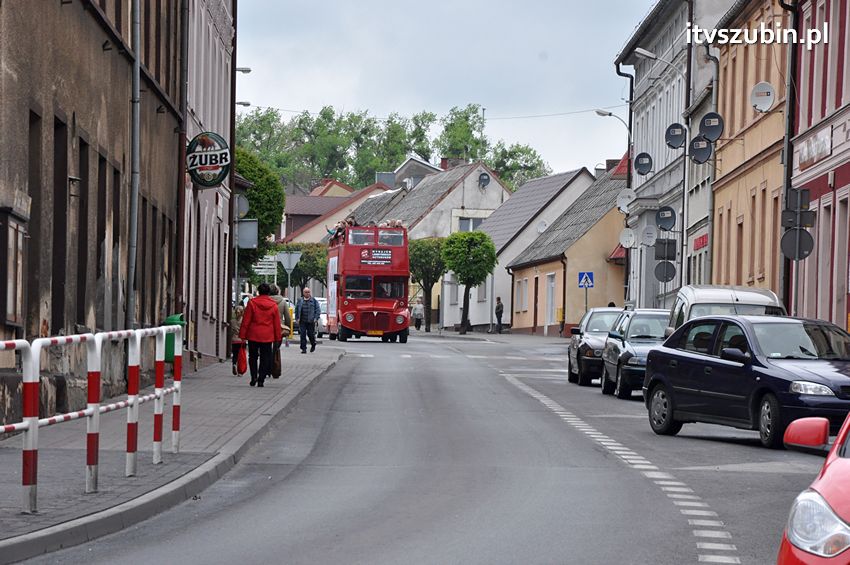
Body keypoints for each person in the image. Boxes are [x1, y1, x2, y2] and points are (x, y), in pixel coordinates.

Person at [238, 283, 282, 387]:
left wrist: (243, 335)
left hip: (253, 335)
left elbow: (246, 320)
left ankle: (253, 377)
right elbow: (276, 323)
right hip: (267, 336)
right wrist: (277, 337)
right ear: (268, 292)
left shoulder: (252, 303)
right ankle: (261, 379)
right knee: (265, 357)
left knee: (253, 357)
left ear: (258, 291)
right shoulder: (273, 305)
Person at [269, 285, 293, 377]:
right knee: (276, 348)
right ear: (278, 292)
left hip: (267, 328)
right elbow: (288, 317)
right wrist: (288, 329)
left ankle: (266, 367)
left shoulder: (267, 301)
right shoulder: (283, 302)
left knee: (267, 349)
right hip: (279, 328)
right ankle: (275, 366)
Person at [295, 287, 320, 354]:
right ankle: (303, 348)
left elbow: (317, 310)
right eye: (306, 292)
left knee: (310, 334)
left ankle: (313, 343)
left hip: (311, 321)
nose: (307, 293)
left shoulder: (314, 301)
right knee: (302, 334)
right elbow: (296, 310)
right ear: (303, 293)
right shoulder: (300, 301)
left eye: (308, 292)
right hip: (302, 321)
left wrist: (316, 318)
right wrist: (297, 318)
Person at [230, 304, 245, 376]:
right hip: (241, 340)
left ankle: (234, 364)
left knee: (235, 354)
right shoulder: (244, 321)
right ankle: (240, 372)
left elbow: (231, 331)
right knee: (241, 356)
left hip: (234, 340)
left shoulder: (232, 321)